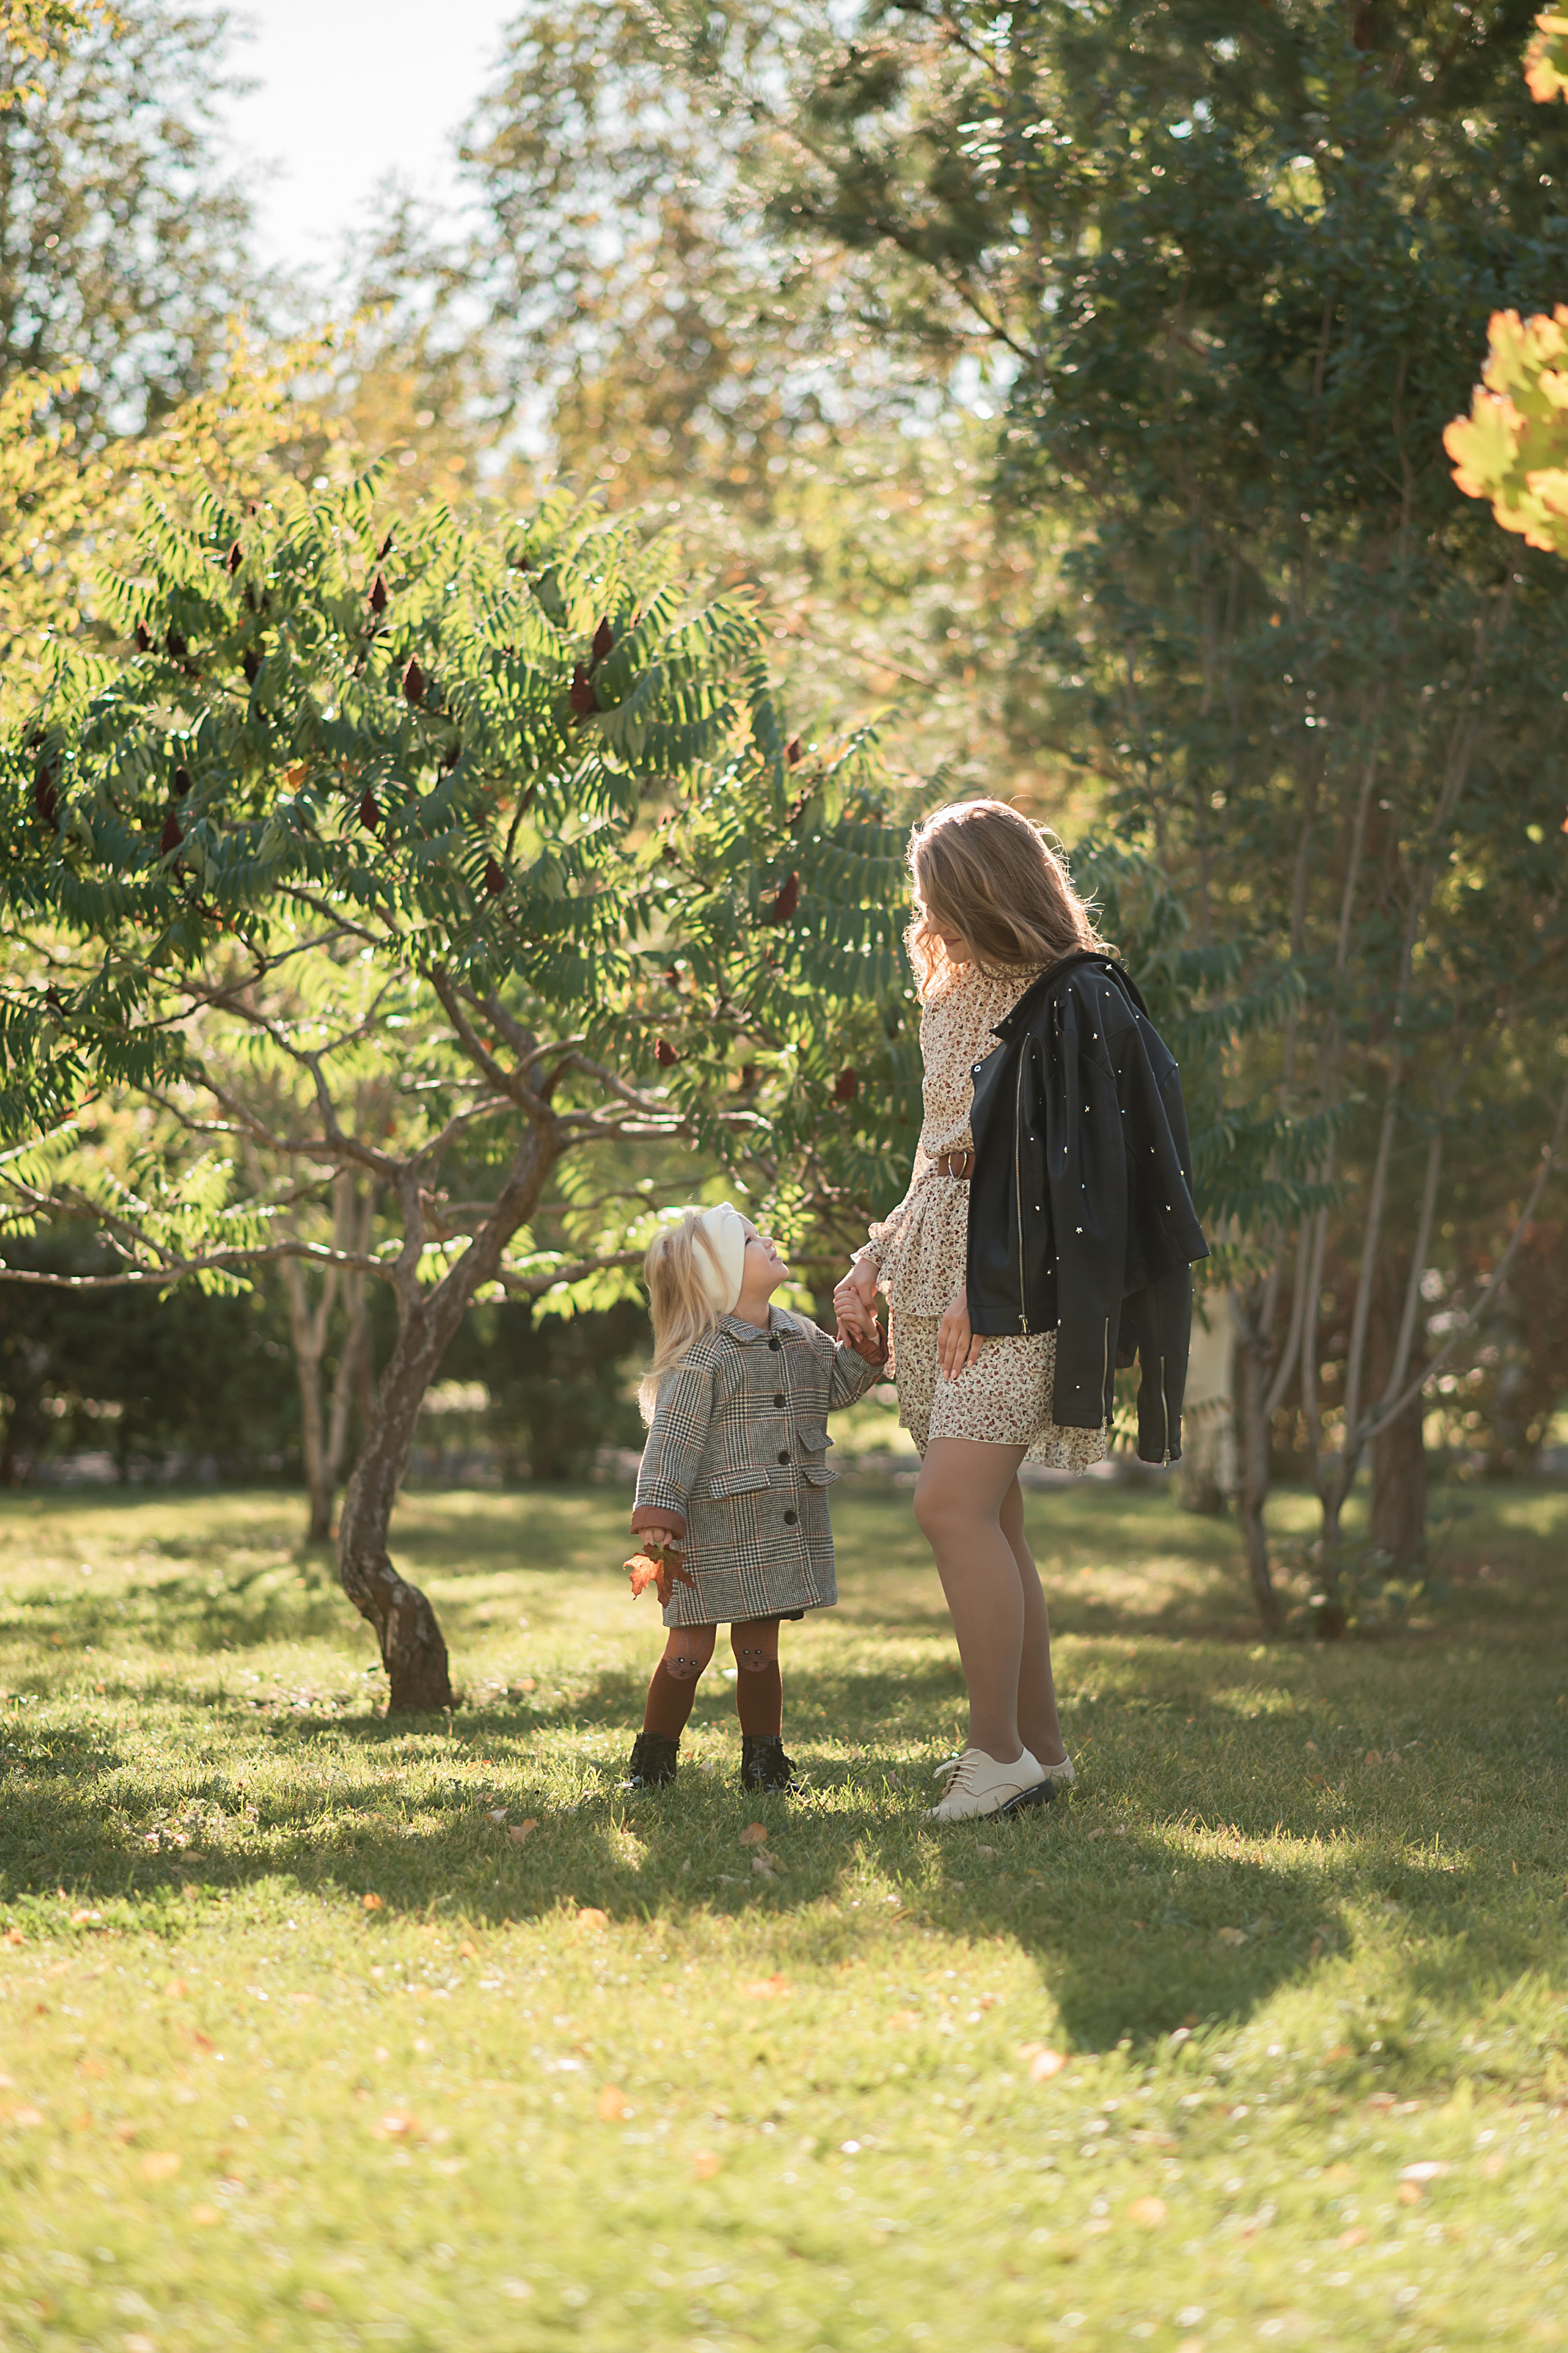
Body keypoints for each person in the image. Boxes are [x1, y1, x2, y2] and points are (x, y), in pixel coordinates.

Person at [834, 800, 1206, 1824]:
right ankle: (1040, 1751)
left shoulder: (1068, 994)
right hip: (941, 1249)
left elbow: (1062, 1174)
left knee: (948, 1506)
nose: (925, 915)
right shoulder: (947, 989)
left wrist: (979, 1290)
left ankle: (993, 1752)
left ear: (984, 890)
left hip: (1015, 1277)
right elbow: (938, 1147)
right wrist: (873, 1257)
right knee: (989, 1511)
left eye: (937, 896)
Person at [623, 1203, 886, 1793]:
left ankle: (764, 1764)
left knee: (760, 1650)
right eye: (747, 1240)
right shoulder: (704, 1354)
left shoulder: (795, 1332)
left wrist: (862, 1345)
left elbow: (834, 1387)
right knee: (689, 1651)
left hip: (773, 1524)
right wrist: (660, 1515)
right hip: (714, 1527)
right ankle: (653, 1763)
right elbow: (673, 1437)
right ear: (719, 1274)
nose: (766, 1240)